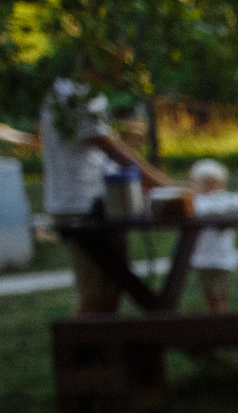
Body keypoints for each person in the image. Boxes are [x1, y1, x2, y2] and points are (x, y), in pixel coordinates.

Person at [37, 74, 171, 315]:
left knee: (112, 287)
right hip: (83, 208)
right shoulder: (76, 93)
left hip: (88, 203)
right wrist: (161, 185)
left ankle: (107, 352)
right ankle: (81, 352)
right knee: (96, 295)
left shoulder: (69, 89)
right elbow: (112, 148)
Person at [186, 158, 238, 313]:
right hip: (205, 259)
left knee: (219, 295)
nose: (209, 188)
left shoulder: (219, 202)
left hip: (220, 260)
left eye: (212, 183)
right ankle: (216, 319)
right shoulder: (198, 203)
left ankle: (220, 321)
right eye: (204, 183)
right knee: (211, 295)